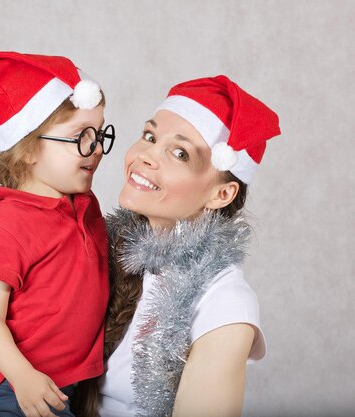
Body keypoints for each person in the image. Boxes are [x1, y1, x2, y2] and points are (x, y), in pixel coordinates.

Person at [94, 75, 280, 417]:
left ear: (221, 194)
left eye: (180, 153)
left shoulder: (226, 304)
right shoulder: (98, 250)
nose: (146, 155)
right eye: (150, 136)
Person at [0, 51, 113, 417]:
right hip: (12, 387)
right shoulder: (8, 223)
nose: (95, 149)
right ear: (29, 149)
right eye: (81, 136)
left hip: (65, 384)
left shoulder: (86, 207)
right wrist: (21, 376)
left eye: (99, 133)